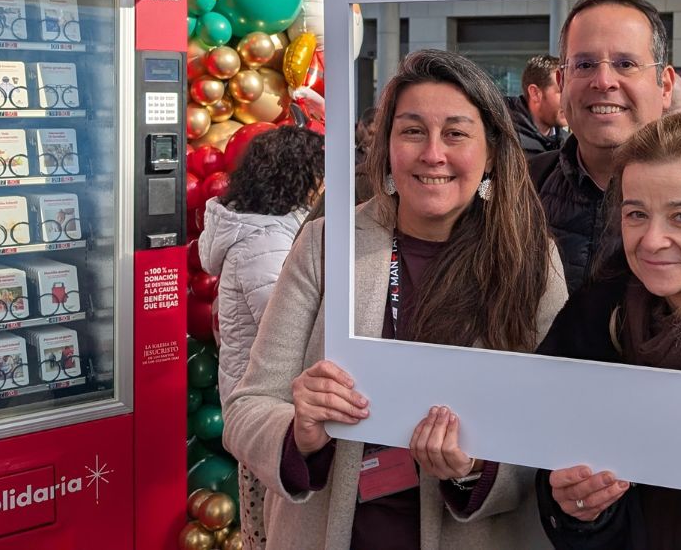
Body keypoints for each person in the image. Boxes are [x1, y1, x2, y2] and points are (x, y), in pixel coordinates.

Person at [223, 49, 568, 549]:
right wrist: (299, 432)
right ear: (385, 147)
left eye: (455, 133)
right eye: (411, 131)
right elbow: (248, 406)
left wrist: (475, 468)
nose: (433, 153)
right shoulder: (327, 244)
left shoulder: (531, 260)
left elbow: (556, 430)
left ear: (491, 151)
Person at [535, 112, 681, 548]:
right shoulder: (593, 317)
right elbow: (550, 463)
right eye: (636, 213)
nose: (651, 240)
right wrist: (578, 509)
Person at [199, 125, 326, 548]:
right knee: (271, 524)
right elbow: (289, 325)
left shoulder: (266, 234)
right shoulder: (268, 243)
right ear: (298, 178)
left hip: (265, 405)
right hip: (270, 411)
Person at [530, 0, 675, 293]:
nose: (604, 81)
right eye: (584, 64)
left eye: (626, 63)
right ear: (561, 82)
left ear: (666, 86)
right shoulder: (519, 185)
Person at [506, 54, 568, 157]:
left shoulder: (569, 144)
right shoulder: (505, 142)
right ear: (535, 93)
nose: (568, 100)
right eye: (561, 91)